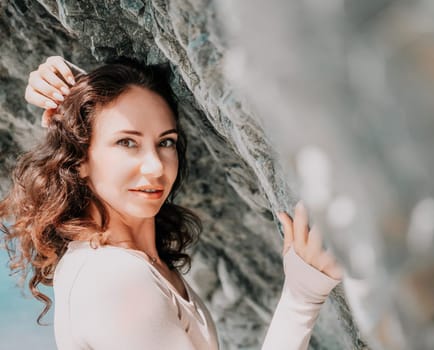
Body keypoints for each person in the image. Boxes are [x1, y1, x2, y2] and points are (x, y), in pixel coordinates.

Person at [0, 55, 344, 349]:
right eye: (127, 143)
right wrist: (302, 298)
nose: (155, 166)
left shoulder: (133, 261)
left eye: (166, 142)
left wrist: (71, 87)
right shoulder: (115, 278)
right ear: (79, 160)